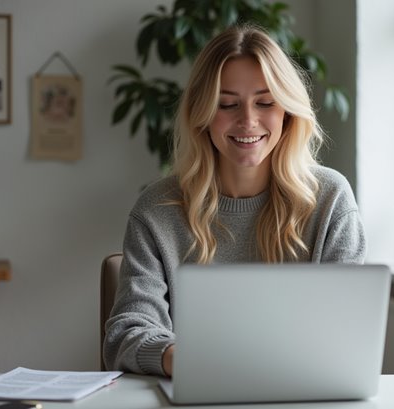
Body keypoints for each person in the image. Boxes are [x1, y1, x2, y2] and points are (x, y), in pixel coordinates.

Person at [103, 25, 366, 377]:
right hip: (195, 391)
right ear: (202, 114)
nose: (248, 120)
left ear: (287, 112)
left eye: (265, 102)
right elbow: (126, 333)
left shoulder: (330, 199)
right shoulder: (156, 210)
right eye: (227, 104)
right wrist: (179, 357)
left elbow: (347, 330)